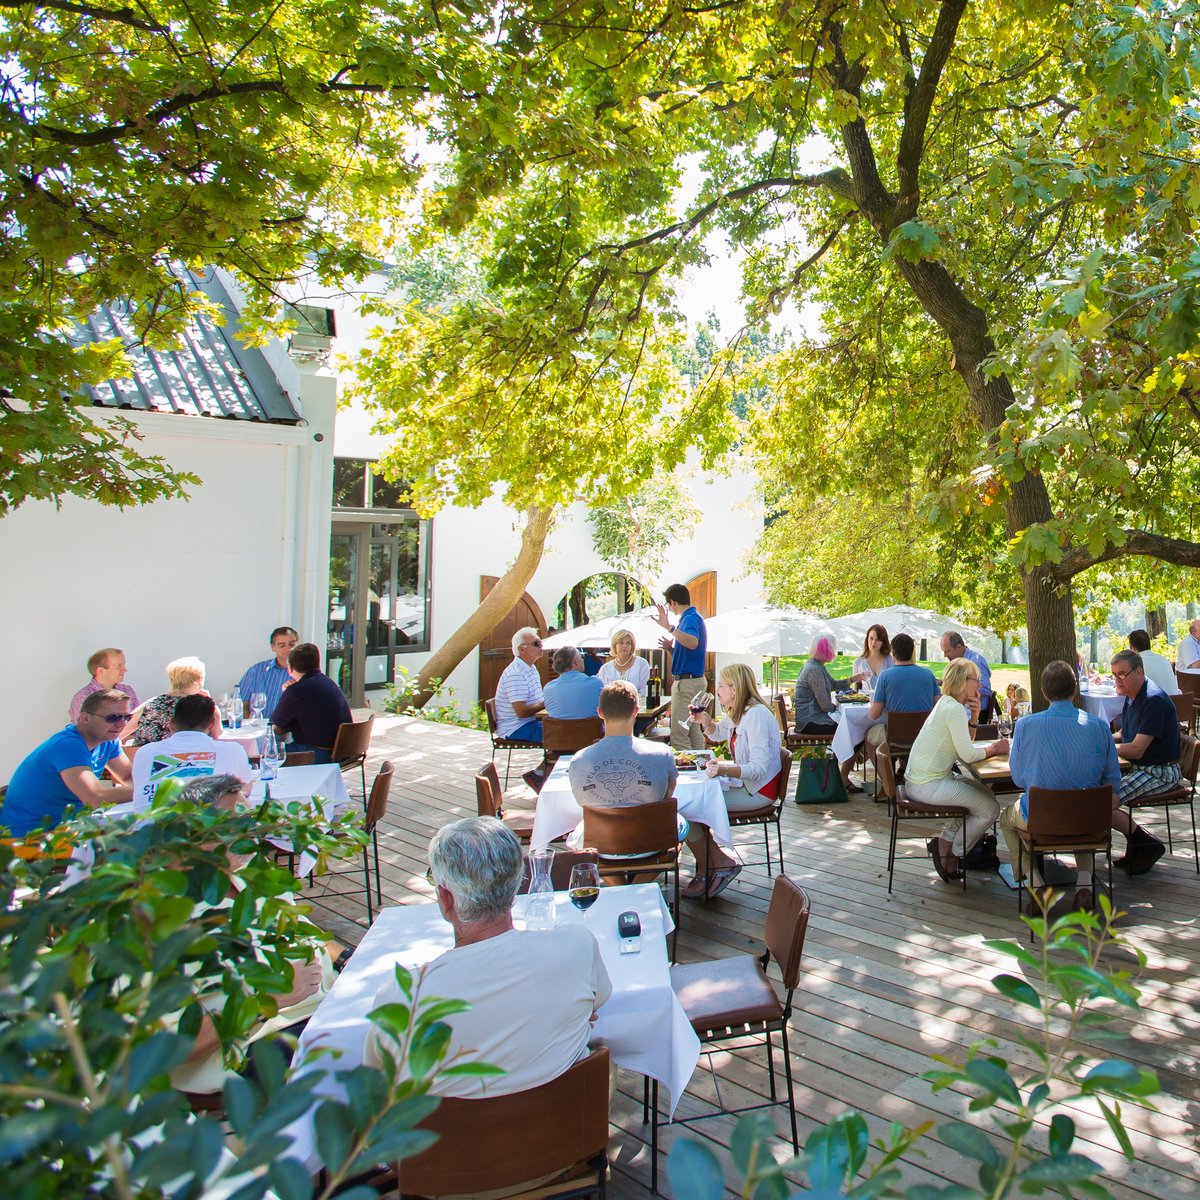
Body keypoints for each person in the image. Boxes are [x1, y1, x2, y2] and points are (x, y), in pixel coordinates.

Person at [364, 818, 612, 1096]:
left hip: (454, 1138)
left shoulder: (403, 993)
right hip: (565, 1132)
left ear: (446, 899)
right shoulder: (576, 946)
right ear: (517, 884)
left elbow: (377, 1082)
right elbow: (597, 1002)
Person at [168, 773, 332, 1097]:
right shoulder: (173, 922)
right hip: (262, 1042)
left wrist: (349, 959)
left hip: (324, 1007)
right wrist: (265, 1001)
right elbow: (171, 1051)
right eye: (237, 822)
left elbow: (309, 936)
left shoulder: (249, 878)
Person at [999, 661, 1122, 911]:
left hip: (1040, 819)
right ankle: (1085, 885)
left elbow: (1019, 779)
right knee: (1080, 810)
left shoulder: (1025, 725)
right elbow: (1113, 782)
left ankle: (1036, 885)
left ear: (1043, 692)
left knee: (1005, 820)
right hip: (1087, 820)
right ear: (1074, 690)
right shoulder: (1099, 726)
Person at [905, 659, 1009, 882]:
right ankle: (955, 852)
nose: (980, 686)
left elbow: (965, 746)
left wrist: (973, 717)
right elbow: (969, 755)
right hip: (927, 784)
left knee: (987, 795)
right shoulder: (952, 709)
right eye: (977, 681)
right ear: (963, 681)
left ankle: (946, 840)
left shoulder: (948, 704)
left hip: (925, 780)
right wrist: (995, 748)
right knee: (991, 809)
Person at [686, 663, 782, 900]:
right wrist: (706, 723)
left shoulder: (756, 716)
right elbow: (719, 733)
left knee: (688, 808)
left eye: (720, 686)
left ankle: (716, 864)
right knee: (691, 803)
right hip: (746, 786)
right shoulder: (740, 711)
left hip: (759, 791)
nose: (717, 691)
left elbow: (758, 769)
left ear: (735, 689)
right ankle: (710, 866)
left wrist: (724, 770)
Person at [1, 690, 134, 836]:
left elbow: (128, 776)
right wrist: (151, 789)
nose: (121, 724)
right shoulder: (67, 745)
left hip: (63, 829)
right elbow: (96, 797)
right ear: (85, 718)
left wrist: (146, 787)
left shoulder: (108, 741)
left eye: (127, 717)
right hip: (27, 838)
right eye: (113, 717)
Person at [566, 680, 679, 848]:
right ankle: (641, 875)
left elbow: (581, 802)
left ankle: (614, 876)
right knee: (682, 821)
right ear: (636, 710)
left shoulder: (578, 760)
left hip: (598, 845)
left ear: (600, 712)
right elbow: (667, 794)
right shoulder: (662, 753)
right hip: (651, 842)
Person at [1109, 649, 1181, 875]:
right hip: (1140, 767)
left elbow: (1138, 749)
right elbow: (1123, 733)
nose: (1117, 680)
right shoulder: (1132, 696)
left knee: (1101, 803)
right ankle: (1138, 845)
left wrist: (1104, 748)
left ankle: (1146, 845)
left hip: (1159, 771)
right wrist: (1100, 738)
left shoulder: (1152, 699)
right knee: (1094, 793)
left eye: (1122, 674)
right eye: (1114, 675)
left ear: (1138, 671)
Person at [130, 694, 252, 810]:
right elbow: (245, 788)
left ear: (171, 724)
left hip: (149, 828)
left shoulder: (144, 752)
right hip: (206, 828)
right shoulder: (232, 750)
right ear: (212, 724)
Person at [859, 633, 940, 781]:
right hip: (923, 735)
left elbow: (874, 714)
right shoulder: (928, 675)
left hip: (895, 737)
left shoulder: (885, 677)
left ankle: (887, 781)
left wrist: (873, 702)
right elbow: (938, 707)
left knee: (869, 735)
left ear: (893, 652)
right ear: (912, 652)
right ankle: (903, 770)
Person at [270, 643, 352, 764]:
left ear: (290, 668)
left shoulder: (296, 691)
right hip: (342, 751)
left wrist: (286, 694)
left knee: (265, 752)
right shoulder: (328, 682)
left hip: (316, 754)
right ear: (317, 664)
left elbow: (276, 728)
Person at [655, 584, 708, 751]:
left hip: (687, 683)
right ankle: (699, 765)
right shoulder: (692, 618)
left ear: (672, 602)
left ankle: (686, 770)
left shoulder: (690, 618)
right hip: (693, 680)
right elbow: (689, 652)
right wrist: (671, 649)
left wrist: (669, 628)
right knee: (692, 729)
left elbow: (692, 642)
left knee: (679, 732)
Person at [123, 656, 215, 753]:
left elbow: (121, 730)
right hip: (185, 761)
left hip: (146, 760)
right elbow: (216, 736)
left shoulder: (151, 703)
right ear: (199, 679)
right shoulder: (200, 707)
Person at [494, 627, 545, 741]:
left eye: (541, 642)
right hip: (516, 728)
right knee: (562, 731)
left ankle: (556, 756)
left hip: (530, 723)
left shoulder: (530, 668)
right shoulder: (516, 674)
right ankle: (556, 757)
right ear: (522, 649)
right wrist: (547, 702)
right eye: (537, 643)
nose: (541, 646)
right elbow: (521, 712)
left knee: (565, 726)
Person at [237, 626, 300, 719]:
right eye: (282, 645)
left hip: (289, 730)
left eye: (291, 645)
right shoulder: (256, 671)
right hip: (257, 729)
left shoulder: (304, 674)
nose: (288, 649)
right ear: (273, 647)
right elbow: (242, 703)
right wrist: (250, 725)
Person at [68, 647, 139, 722]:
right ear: (101, 671)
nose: (124, 669)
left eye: (123, 665)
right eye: (118, 666)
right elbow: (82, 730)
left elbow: (138, 722)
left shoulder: (128, 691)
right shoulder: (84, 697)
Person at [792, 635, 839, 735]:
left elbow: (833, 685)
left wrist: (853, 679)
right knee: (850, 727)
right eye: (834, 647)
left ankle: (843, 750)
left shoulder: (815, 665)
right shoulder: (815, 670)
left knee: (848, 725)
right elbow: (825, 706)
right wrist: (838, 709)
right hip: (810, 721)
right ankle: (845, 751)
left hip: (808, 719)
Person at [940, 632, 993, 719]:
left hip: (974, 711)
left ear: (958, 647)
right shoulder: (959, 663)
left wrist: (961, 688)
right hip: (960, 708)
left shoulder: (976, 661)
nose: (945, 655)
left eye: (947, 651)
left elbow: (986, 689)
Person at [543, 646, 604, 718]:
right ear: (576, 661)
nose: (583, 660)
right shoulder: (596, 683)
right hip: (591, 728)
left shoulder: (548, 688)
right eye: (582, 657)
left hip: (559, 729)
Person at [598, 627, 650, 697]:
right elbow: (602, 694)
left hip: (636, 705)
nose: (625, 646)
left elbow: (644, 692)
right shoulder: (605, 669)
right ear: (614, 645)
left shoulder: (642, 664)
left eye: (628, 643)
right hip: (612, 706)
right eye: (621, 643)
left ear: (632, 646)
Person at [1128, 629, 1180, 695]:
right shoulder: (1163, 659)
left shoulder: (1136, 664)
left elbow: (1131, 690)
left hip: (1155, 704)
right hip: (1176, 703)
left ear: (1133, 647)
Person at [852, 624, 894, 691]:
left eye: (877, 639)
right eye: (871, 638)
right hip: (865, 701)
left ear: (883, 642)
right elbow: (856, 688)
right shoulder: (858, 662)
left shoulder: (890, 661)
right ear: (867, 639)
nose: (873, 642)